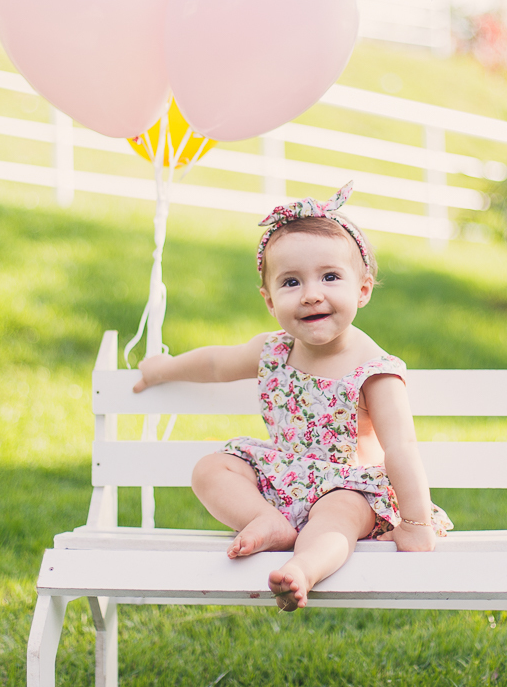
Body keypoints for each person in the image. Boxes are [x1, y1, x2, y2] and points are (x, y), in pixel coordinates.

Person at [133, 182, 452, 611]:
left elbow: (401, 447)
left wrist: (415, 523)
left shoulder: (374, 372)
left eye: (330, 277)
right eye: (291, 282)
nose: (311, 293)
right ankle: (266, 521)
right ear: (269, 300)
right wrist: (162, 368)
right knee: (211, 468)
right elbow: (215, 364)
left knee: (335, 519)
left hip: (350, 488)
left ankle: (303, 569)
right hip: (282, 479)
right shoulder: (273, 350)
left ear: (363, 289)